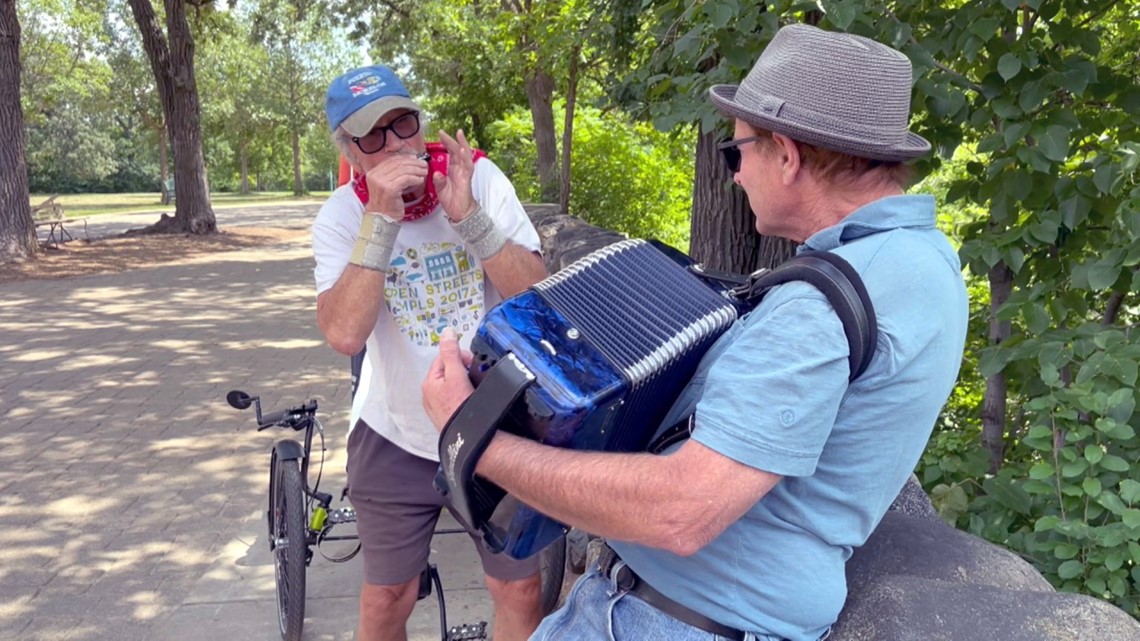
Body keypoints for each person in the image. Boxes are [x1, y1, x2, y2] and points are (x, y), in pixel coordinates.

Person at [422, 24, 969, 641]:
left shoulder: (817, 310)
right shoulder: (924, 261)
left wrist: (471, 433)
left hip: (669, 622)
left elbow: (683, 512)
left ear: (786, 155)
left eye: (737, 153)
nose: (734, 175)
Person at [312, 64, 548, 641]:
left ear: (422, 122)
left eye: (403, 123)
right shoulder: (343, 215)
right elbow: (344, 333)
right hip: (395, 431)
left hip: (494, 420)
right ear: (351, 150)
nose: (396, 144)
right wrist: (382, 220)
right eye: (374, 136)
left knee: (518, 587)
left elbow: (538, 295)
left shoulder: (480, 179)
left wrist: (468, 217)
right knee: (388, 597)